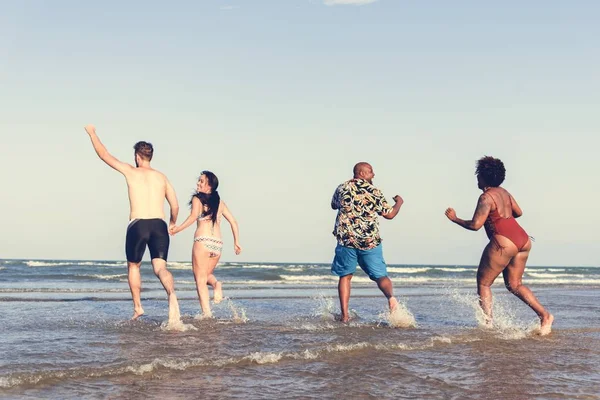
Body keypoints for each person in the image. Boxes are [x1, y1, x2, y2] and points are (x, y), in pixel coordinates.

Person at [445, 156, 553, 335]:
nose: (476, 178)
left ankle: (487, 326)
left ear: (484, 177)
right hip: (522, 239)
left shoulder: (485, 197)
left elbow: (475, 225)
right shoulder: (504, 193)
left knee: (484, 283)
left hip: (503, 241)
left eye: (478, 175)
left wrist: (455, 218)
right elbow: (518, 212)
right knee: (515, 284)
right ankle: (545, 315)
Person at [84, 124, 181, 323]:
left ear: (137, 156)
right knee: (160, 268)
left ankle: (138, 307)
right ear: (150, 156)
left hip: (138, 225)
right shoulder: (162, 177)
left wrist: (92, 133)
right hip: (159, 225)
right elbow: (176, 205)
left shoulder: (130, 171)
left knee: (134, 266)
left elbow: (104, 154)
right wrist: (172, 222)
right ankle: (171, 295)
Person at [330, 162, 404, 323]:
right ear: (362, 173)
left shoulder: (342, 188)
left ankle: (344, 315)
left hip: (346, 239)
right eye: (371, 172)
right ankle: (391, 298)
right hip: (369, 240)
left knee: (345, 276)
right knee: (380, 275)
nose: (374, 175)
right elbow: (389, 214)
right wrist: (399, 202)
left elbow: (333, 205)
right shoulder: (374, 191)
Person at [170, 171, 242, 318]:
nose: (198, 183)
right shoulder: (220, 203)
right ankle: (217, 285)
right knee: (206, 275)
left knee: (200, 279)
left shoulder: (198, 199)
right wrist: (236, 242)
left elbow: (193, 217)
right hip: (217, 244)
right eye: (198, 181)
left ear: (209, 186)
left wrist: (177, 229)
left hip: (202, 241)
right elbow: (233, 221)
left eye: (201, 181)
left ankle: (207, 313)